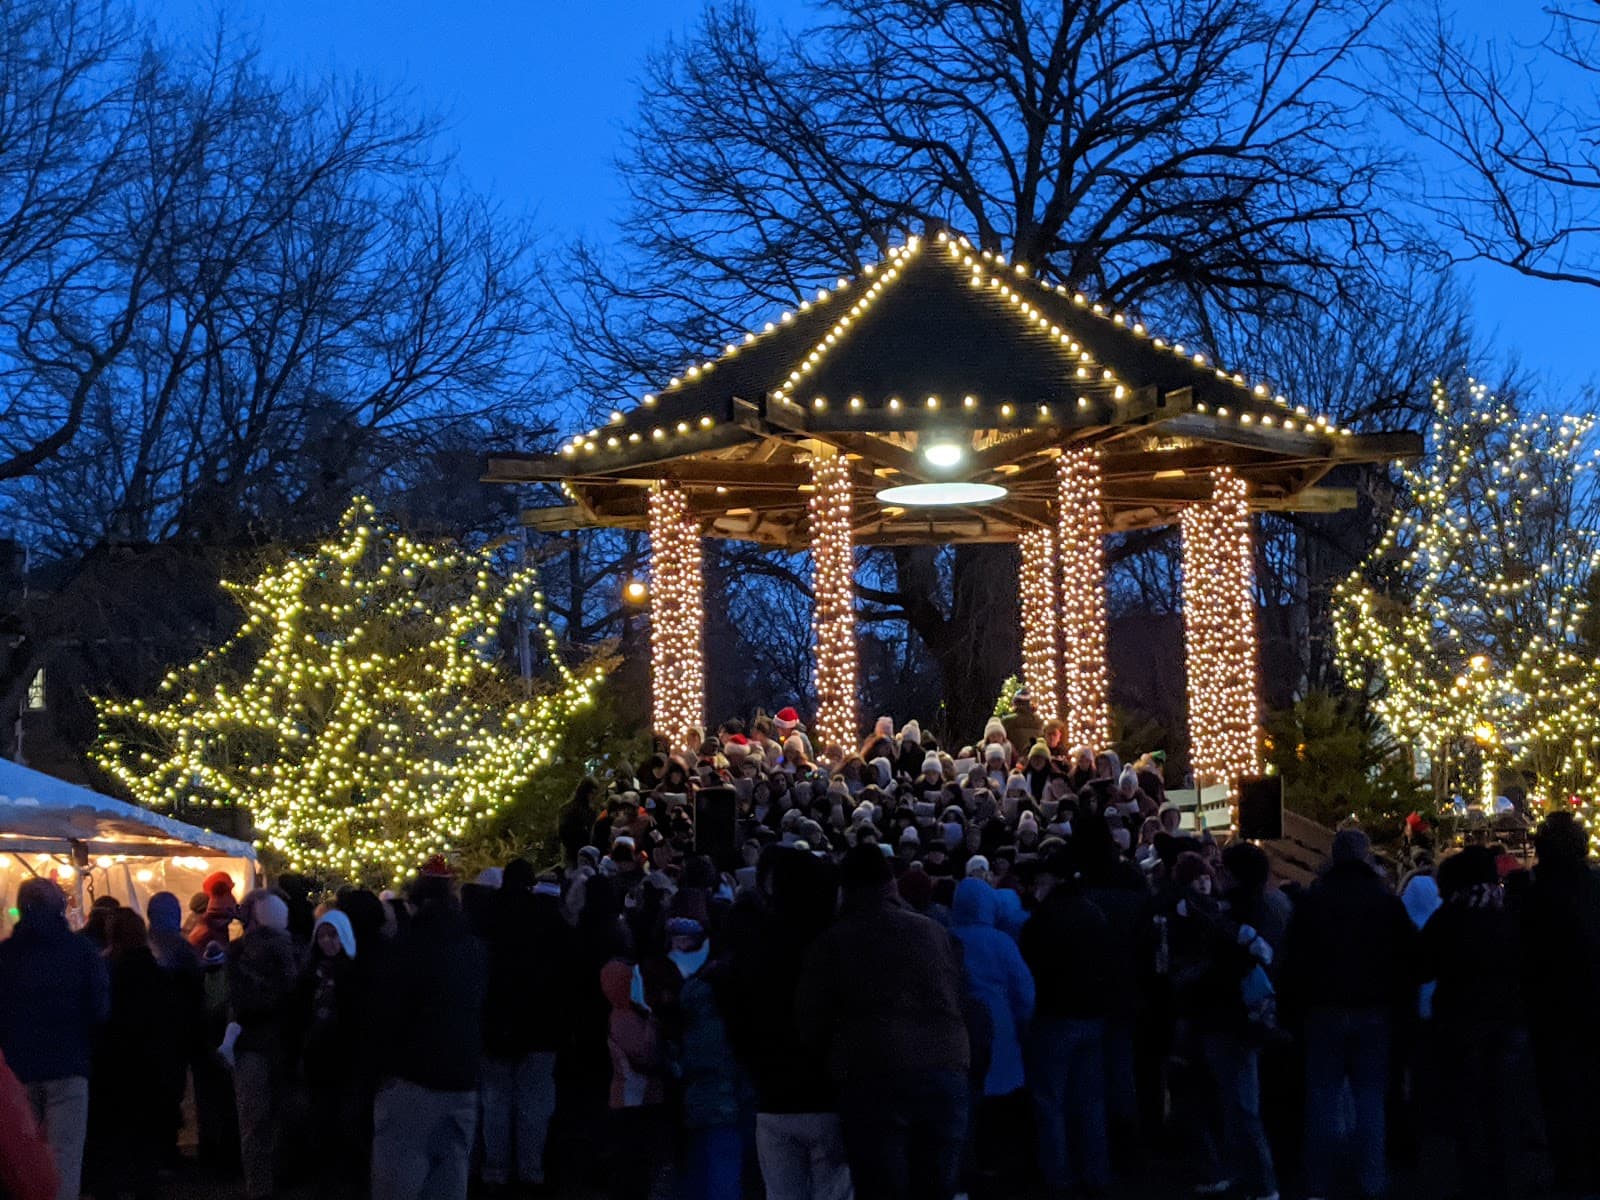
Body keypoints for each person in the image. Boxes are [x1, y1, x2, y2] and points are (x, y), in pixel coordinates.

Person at [796, 843, 969, 1200]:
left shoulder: (836, 940)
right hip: (944, 1068)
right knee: (936, 1186)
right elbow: (960, 996)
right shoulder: (933, 931)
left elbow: (812, 1019)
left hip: (874, 1073)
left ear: (845, 889)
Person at [1278, 828, 1417, 1200]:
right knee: (1370, 1098)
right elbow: (1408, 958)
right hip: (1374, 1009)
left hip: (1323, 1008)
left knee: (1322, 1095)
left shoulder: (1314, 900)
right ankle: (1370, 1179)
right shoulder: (1386, 902)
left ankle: (1320, 1181)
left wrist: (1293, 1007)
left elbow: (1292, 959)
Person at [723, 847, 850, 1200]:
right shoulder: (835, 946)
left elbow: (737, 1016)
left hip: (773, 1095)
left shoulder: (756, 946)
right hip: (830, 1096)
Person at [371, 862, 489, 1200]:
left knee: (400, 1179)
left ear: (415, 904)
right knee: (450, 1178)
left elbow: (387, 1015)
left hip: (412, 1079)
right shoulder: (475, 949)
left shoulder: (405, 950)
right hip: (462, 1077)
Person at [1418, 846, 1522, 1200]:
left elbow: (1422, 963)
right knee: (1502, 1102)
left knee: (1468, 1103)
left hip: (1461, 1018)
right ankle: (1504, 1175)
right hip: (1509, 1017)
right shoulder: (1510, 912)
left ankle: (1474, 1177)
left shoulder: (1452, 914)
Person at [0, 878, 109, 1200]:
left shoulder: (5, 955)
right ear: (61, 907)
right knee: (65, 1155)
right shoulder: (81, 951)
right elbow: (100, 1008)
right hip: (68, 1061)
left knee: (22, 1158)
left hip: (17, 1065)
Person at [480, 861, 580, 1194]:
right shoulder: (546, 921)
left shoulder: (488, 919)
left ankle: (495, 1170)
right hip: (541, 1030)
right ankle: (530, 1170)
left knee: (496, 1102)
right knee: (534, 1104)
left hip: (496, 1028)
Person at [1021, 850, 1114, 1200]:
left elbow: (1032, 966)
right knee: (1090, 1100)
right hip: (1092, 1015)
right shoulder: (1094, 914)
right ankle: (1097, 1171)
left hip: (1054, 1015)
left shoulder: (1042, 919)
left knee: (1050, 1101)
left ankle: (1058, 1175)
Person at [1517, 811, 1600, 1197]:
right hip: (1588, 1001)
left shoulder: (1534, 896)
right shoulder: (1593, 886)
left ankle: (1570, 1170)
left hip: (1551, 1007)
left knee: (1559, 1093)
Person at [87, 908, 178, 1200]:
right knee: (145, 1148)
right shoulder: (158, 974)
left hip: (112, 1069)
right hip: (150, 1069)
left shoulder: (107, 972)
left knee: (111, 1145)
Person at [949, 877, 1034, 1188]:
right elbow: (1024, 989)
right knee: (999, 1105)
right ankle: (999, 1169)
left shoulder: (945, 937)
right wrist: (1024, 1024)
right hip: (1000, 1029)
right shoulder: (1000, 941)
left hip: (957, 1030)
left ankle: (966, 1171)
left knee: (964, 1109)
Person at [228, 890, 300, 1200]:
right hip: (284, 1044)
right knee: (279, 1118)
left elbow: (234, 999)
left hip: (253, 1044)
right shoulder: (295, 950)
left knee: (253, 1122)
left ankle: (259, 1186)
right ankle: (280, 1178)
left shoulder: (240, 952)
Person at [299, 909, 362, 1185]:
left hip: (344, 1057)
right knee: (319, 1117)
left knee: (344, 1120)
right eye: (323, 936)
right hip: (316, 1057)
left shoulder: (354, 972)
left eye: (333, 935)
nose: (328, 942)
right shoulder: (311, 973)